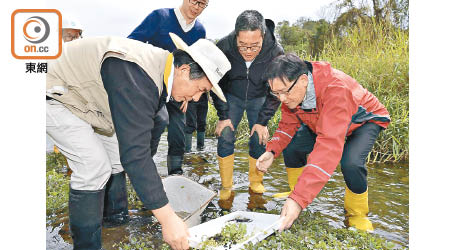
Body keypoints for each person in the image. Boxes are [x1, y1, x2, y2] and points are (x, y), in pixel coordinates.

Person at [46, 33, 230, 250]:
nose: (198, 98)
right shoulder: (136, 73)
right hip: (54, 93)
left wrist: (147, 179)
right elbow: (136, 155)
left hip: (88, 101)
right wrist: (168, 219)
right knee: (93, 167)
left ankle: (115, 223)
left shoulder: (160, 71)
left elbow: (146, 136)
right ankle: (87, 246)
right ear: (184, 70)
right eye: (200, 90)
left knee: (116, 158)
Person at [256, 54, 390, 232]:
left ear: (303, 80)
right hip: (322, 119)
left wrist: (299, 200)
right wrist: (271, 151)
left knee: (351, 163)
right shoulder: (292, 93)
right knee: (293, 148)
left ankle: (357, 214)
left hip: (363, 121)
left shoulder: (336, 89)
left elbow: (327, 148)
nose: (281, 99)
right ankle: (294, 191)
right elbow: (287, 125)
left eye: (285, 92)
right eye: (276, 93)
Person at [128, 0, 209, 175]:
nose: (197, 8)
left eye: (203, 4)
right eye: (195, 2)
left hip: (179, 91)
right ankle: (140, 169)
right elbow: (132, 43)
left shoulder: (199, 31)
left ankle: (176, 173)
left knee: (178, 132)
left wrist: (188, 95)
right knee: (152, 125)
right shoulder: (160, 17)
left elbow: (198, 65)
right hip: (152, 86)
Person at [210, 10, 283, 202]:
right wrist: (223, 115)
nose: (248, 51)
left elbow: (276, 90)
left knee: (259, 137)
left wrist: (263, 121)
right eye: (243, 45)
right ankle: (226, 185)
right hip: (231, 96)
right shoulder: (223, 47)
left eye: (254, 46)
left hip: (259, 96)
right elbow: (214, 83)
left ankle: (256, 182)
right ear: (236, 36)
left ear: (263, 36)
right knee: (225, 134)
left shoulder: (275, 51)